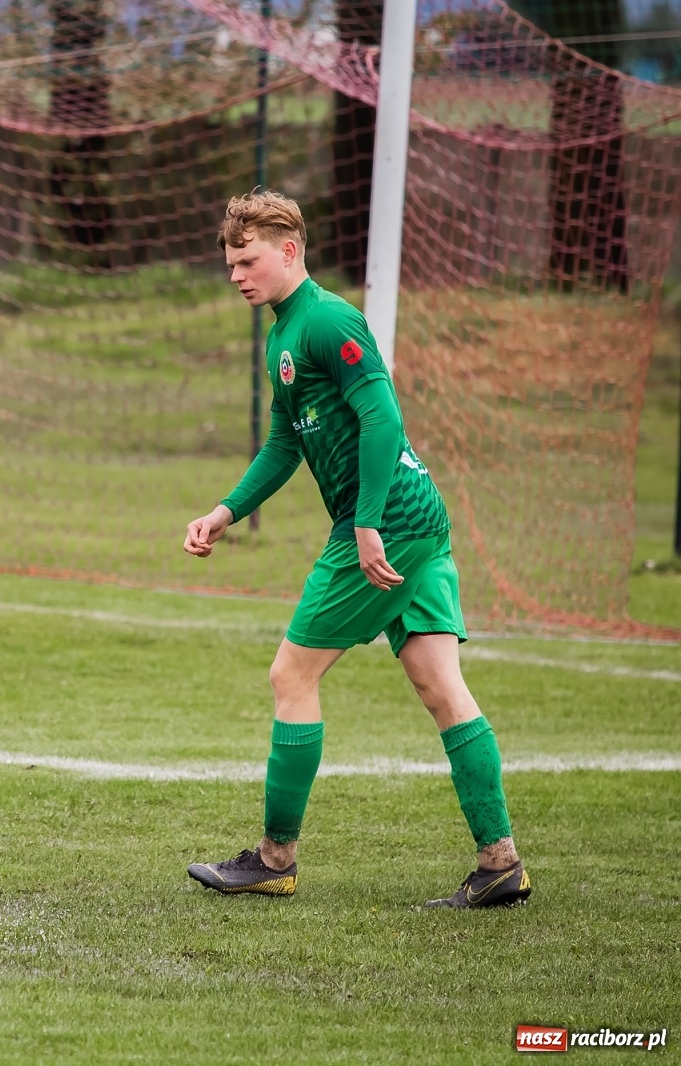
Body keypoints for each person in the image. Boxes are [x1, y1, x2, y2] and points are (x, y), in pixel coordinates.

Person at [182, 192, 530, 909]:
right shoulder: (283, 336)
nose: (237, 275)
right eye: (230, 264)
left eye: (248, 261)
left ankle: (274, 859)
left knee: (291, 675)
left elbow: (383, 418)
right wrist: (225, 512)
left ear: (289, 250)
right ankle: (501, 865)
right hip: (416, 519)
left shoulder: (330, 320)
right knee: (440, 686)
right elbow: (285, 444)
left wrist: (366, 523)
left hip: (387, 523)